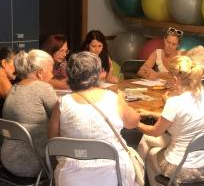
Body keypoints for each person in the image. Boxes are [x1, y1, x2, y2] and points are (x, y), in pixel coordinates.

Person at [48, 51, 140, 186]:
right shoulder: (113, 98)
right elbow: (133, 122)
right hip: (112, 175)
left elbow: (52, 141)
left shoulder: (62, 102)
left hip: (70, 176)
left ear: (70, 75)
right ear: (98, 73)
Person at [137, 56, 204, 186]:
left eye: (169, 77)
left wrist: (136, 124)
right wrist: (150, 113)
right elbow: (177, 118)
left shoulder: (174, 102)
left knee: (151, 154)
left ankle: (137, 180)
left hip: (182, 168)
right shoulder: (202, 93)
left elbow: (155, 131)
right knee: (157, 145)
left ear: (175, 79)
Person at [1, 49, 57, 177]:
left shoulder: (14, 87)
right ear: (40, 72)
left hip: (8, 158)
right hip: (34, 162)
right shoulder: (43, 88)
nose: (52, 74)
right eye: (50, 70)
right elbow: (60, 120)